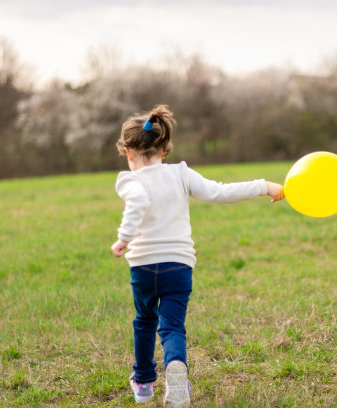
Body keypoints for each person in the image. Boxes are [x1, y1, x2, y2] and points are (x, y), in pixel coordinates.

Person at [110, 104, 284, 407]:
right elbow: (219, 192)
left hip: (143, 268)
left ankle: (143, 382)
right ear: (164, 149)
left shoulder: (129, 180)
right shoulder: (181, 173)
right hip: (178, 265)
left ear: (129, 153)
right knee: (172, 326)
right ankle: (175, 366)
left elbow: (137, 201)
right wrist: (263, 186)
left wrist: (123, 239)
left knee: (145, 321)